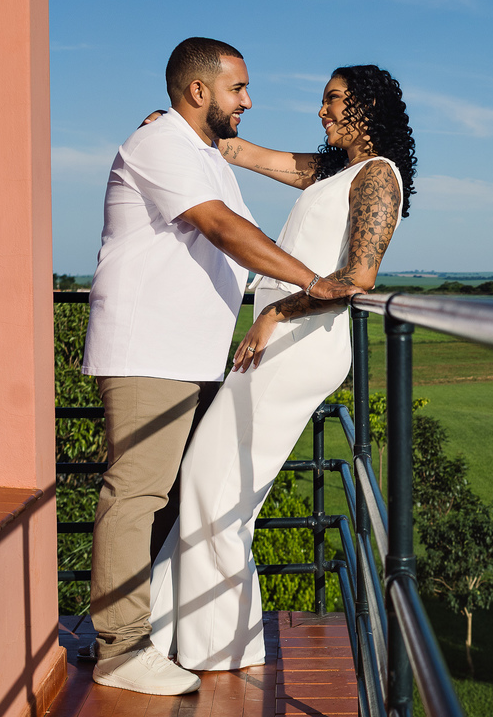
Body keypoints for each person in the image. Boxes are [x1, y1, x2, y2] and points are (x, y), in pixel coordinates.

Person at [82, 38, 359, 696]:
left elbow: (245, 217)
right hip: (149, 349)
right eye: (239, 88)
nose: (249, 100)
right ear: (199, 91)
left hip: (189, 353)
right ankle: (121, 650)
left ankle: (143, 630)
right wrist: (313, 282)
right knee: (137, 494)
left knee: (171, 498)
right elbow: (223, 229)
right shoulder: (161, 145)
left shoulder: (202, 152)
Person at [147, 64, 416, 671]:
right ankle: (162, 632)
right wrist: (173, 126)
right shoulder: (334, 171)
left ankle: (219, 648)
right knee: (213, 483)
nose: (322, 110)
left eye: (334, 99)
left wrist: (275, 312)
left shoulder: (377, 175)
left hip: (300, 344)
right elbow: (241, 150)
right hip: (281, 344)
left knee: (214, 484)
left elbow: (357, 277)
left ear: (368, 107)